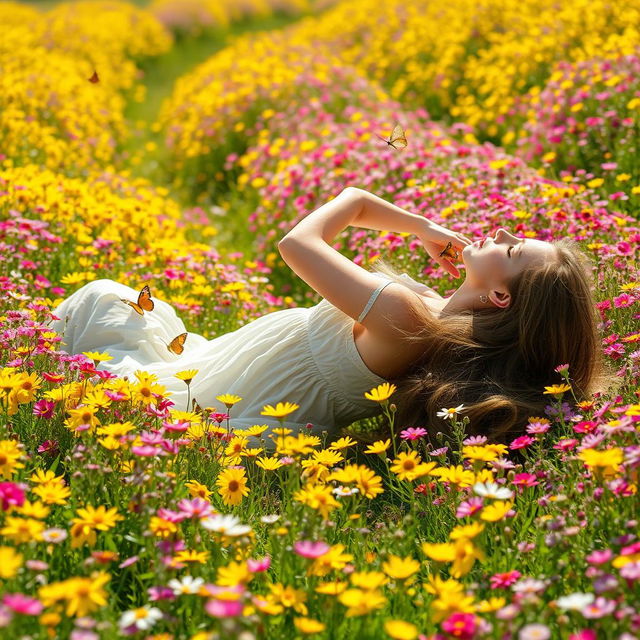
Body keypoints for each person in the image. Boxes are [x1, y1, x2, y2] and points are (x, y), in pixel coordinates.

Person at [50, 187, 611, 445]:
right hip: (250, 386)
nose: (506, 232)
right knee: (124, 312)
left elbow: (299, 240)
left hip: (241, 399)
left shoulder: (404, 314)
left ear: (501, 300)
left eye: (513, 251)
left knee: (104, 299)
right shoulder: (446, 329)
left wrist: (417, 224)